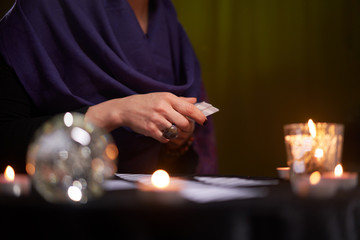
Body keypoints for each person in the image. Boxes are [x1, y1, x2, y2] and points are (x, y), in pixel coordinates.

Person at [0, 0, 217, 174]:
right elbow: (6, 139)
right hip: (56, 215)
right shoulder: (43, 10)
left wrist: (175, 144)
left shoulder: (171, 28)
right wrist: (114, 113)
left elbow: (168, 168)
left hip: (148, 217)